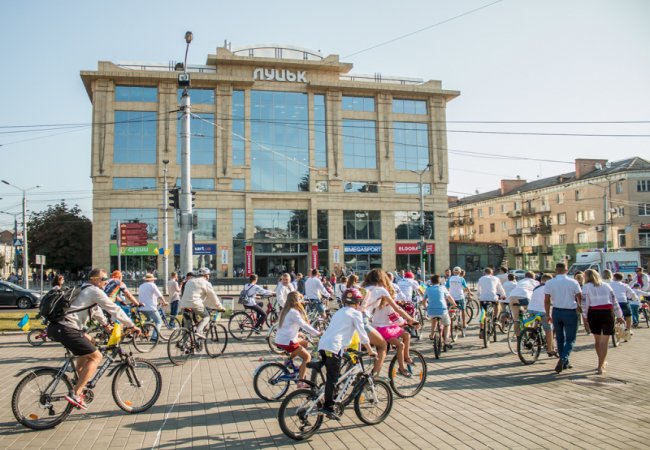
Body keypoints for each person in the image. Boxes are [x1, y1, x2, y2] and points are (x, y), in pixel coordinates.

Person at [46, 268, 141, 410]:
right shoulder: (94, 291)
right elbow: (114, 309)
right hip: (67, 328)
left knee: (90, 346)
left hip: (58, 327)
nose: (106, 282)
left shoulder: (83, 288)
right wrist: (131, 325)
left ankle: (79, 382)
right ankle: (76, 393)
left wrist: (106, 325)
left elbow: (95, 310)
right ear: (94, 280)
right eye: (104, 279)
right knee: (97, 356)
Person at [317, 288, 375, 419]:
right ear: (358, 302)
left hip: (323, 345)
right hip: (334, 347)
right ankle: (328, 406)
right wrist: (370, 350)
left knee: (334, 375)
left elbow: (339, 330)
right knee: (333, 378)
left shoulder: (339, 312)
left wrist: (345, 347)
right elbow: (362, 334)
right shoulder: (356, 314)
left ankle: (329, 394)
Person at [581, 269, 624, 375]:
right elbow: (614, 301)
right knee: (604, 342)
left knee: (597, 340)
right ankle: (601, 365)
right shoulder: (606, 286)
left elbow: (584, 303)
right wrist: (619, 315)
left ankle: (601, 363)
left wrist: (585, 317)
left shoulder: (586, 287)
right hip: (607, 313)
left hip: (593, 313)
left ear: (587, 277)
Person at [274, 292, 321, 383]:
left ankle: (289, 361)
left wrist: (298, 333)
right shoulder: (293, 312)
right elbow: (304, 325)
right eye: (300, 299)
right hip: (288, 341)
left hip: (281, 339)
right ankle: (301, 382)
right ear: (297, 300)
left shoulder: (285, 310)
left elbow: (286, 326)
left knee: (305, 343)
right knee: (307, 357)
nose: (302, 301)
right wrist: (317, 333)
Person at [544, 262, 582, 373]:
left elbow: (547, 300)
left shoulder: (549, 282)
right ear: (566, 270)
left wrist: (547, 314)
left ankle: (564, 362)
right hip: (570, 312)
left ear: (556, 270)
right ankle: (563, 359)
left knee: (559, 338)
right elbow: (579, 297)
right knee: (570, 339)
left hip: (556, 311)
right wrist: (580, 307)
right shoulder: (573, 282)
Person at [179, 268, 225, 338]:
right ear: (206, 275)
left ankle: (184, 343)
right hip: (195, 304)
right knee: (207, 317)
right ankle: (199, 331)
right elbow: (213, 297)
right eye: (208, 275)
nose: (209, 276)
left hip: (183, 305)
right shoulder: (206, 283)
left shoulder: (190, 281)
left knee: (187, 328)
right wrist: (220, 307)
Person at [527, 273, 556, 357]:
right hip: (542, 311)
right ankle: (550, 350)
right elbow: (552, 301)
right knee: (548, 329)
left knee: (536, 318)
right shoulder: (550, 288)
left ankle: (533, 332)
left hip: (531, 309)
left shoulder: (536, 288)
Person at [425, 274, 457, 348]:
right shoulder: (442, 287)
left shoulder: (428, 289)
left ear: (431, 281)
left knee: (434, 319)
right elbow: (449, 297)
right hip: (442, 310)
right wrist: (454, 304)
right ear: (439, 281)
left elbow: (424, 301)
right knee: (447, 324)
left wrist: (426, 307)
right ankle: (446, 341)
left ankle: (432, 335)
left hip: (431, 311)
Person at [476, 268, 506, 339]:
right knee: (497, 304)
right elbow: (500, 288)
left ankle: (482, 329)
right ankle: (495, 318)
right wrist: (503, 295)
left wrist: (479, 296)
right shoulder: (496, 278)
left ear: (484, 273)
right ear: (492, 273)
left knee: (483, 313)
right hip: (493, 298)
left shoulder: (481, 278)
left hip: (483, 298)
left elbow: (478, 289)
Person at [507, 271, 539, 337]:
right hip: (525, 296)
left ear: (525, 276)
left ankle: (519, 338)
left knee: (516, 319)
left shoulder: (520, 281)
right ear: (533, 277)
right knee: (532, 314)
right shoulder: (536, 282)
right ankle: (530, 331)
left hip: (512, 297)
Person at [138, 273, 167, 341]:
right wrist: (164, 302)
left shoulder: (141, 286)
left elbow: (147, 296)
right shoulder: (152, 285)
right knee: (159, 321)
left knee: (149, 320)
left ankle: (144, 333)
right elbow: (159, 295)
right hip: (150, 307)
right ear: (151, 280)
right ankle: (154, 337)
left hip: (141, 307)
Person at [610, 272, 638, 340]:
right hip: (623, 302)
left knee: (612, 315)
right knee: (628, 315)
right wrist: (635, 298)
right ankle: (628, 330)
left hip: (613, 302)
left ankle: (612, 327)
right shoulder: (624, 285)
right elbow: (632, 293)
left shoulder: (609, 284)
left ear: (614, 277)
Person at [445, 267, 471, 333]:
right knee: (463, 310)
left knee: (450, 309)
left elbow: (446, 287)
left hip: (452, 297)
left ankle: (449, 323)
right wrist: (469, 293)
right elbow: (466, 287)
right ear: (460, 272)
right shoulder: (461, 279)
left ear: (453, 272)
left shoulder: (450, 278)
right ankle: (464, 324)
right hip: (460, 297)